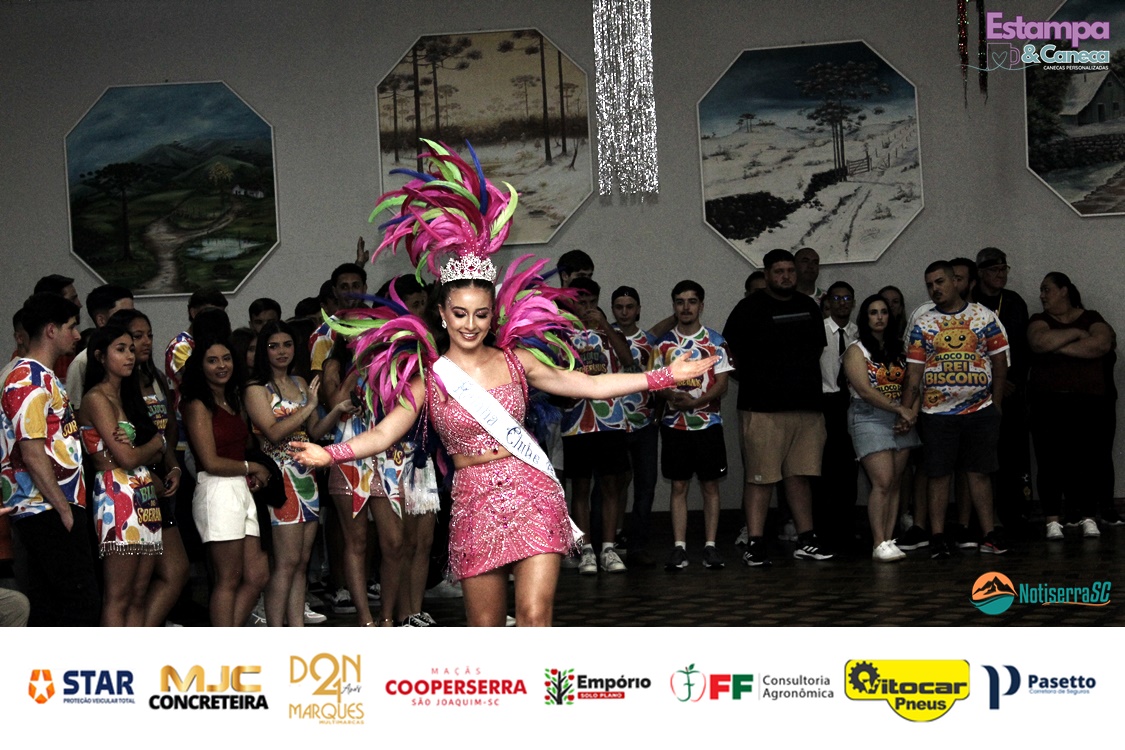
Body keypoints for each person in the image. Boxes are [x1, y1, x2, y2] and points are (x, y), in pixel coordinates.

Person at [290, 141, 716, 627]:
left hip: (531, 489)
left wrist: (664, 375)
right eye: (459, 314)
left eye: (481, 314)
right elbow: (385, 433)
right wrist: (330, 454)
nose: (470, 324)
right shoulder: (429, 376)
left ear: (494, 314)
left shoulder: (517, 361)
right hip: (474, 500)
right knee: (487, 630)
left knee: (535, 616)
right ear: (442, 314)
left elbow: (588, 385)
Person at [722, 249, 831, 566]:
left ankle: (806, 539)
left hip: (806, 407)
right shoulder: (748, 308)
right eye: (779, 271)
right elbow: (727, 354)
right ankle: (755, 543)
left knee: (800, 475)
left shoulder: (807, 306)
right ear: (767, 274)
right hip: (762, 408)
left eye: (790, 270)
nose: (786, 276)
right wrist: (755, 380)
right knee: (760, 477)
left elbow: (817, 349)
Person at [1, 293, 99, 626]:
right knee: (77, 604)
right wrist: (63, 509)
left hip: (53, 505)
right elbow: (31, 451)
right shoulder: (27, 378)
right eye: (71, 326)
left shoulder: (43, 375)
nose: (77, 335)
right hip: (44, 507)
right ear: (51, 330)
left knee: (57, 605)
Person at [245, 321, 349, 626]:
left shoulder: (301, 382)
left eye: (287, 345)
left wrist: (336, 409)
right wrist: (309, 406)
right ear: (264, 351)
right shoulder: (255, 388)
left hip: (307, 476)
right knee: (286, 562)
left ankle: (296, 630)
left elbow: (313, 431)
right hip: (279, 477)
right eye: (273, 346)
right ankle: (277, 630)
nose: (281, 351)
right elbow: (273, 432)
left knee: (301, 562)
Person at [902, 261, 1009, 558]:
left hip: (980, 410)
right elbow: (913, 373)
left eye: (940, 282)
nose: (934, 289)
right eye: (929, 285)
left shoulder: (984, 316)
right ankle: (937, 536)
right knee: (938, 474)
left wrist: (997, 404)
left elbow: (1000, 363)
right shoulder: (923, 323)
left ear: (955, 282)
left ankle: (989, 533)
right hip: (936, 413)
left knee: (979, 472)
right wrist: (906, 410)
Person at [78, 324, 167, 626]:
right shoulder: (96, 398)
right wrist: (156, 442)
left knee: (139, 592)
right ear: (100, 356)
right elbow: (127, 457)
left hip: (143, 490)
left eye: (131, 349)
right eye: (120, 349)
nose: (130, 355)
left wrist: (149, 450)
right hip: (116, 491)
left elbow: (139, 456)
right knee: (119, 594)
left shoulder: (127, 396)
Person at [180, 336, 271, 626]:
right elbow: (210, 461)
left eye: (226, 358)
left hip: (240, 486)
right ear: (200, 366)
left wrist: (250, 472)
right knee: (228, 577)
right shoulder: (197, 404)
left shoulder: (233, 399)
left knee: (257, 575)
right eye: (212, 360)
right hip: (216, 488)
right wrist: (251, 467)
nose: (222, 365)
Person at [111, 309, 188, 626]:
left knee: (175, 570)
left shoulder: (155, 376)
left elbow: (166, 430)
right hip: (132, 487)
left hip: (160, 480)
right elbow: (119, 446)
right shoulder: (116, 386)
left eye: (149, 335)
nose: (144, 343)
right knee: (131, 587)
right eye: (135, 337)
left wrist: (173, 467)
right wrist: (151, 471)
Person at [1027, 272, 1117, 539]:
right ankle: (1052, 520)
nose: (1042, 295)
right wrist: (1077, 335)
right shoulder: (1039, 320)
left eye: (1047, 289)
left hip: (1087, 400)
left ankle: (1089, 516)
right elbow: (1039, 342)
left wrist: (1057, 345)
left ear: (1064, 290)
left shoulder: (1092, 317)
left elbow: (1101, 344)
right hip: (1047, 400)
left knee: (1087, 458)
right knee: (1049, 460)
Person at [654, 280, 731, 571]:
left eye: (692, 301)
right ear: (674, 306)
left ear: (701, 305)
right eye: (680, 301)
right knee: (678, 485)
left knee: (710, 485)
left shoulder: (716, 341)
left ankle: (710, 546)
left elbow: (722, 384)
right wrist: (672, 396)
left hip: (708, 424)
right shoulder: (663, 344)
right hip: (674, 425)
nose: (686, 307)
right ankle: (679, 547)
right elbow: (655, 383)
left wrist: (696, 403)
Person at [842, 295, 921, 561]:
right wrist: (900, 410)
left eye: (884, 312)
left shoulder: (900, 348)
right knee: (883, 481)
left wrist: (910, 413)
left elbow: (914, 384)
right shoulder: (856, 350)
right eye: (873, 312)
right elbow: (864, 390)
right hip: (869, 417)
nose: (879, 317)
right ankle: (878, 541)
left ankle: (888, 539)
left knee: (896, 482)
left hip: (901, 415)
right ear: (865, 317)